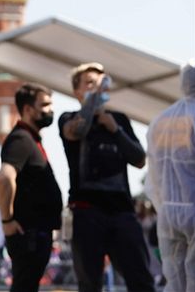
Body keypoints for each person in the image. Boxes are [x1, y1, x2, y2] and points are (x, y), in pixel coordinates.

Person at [59, 62, 155, 292]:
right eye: (90, 83)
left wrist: (115, 130)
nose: (97, 88)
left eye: (101, 82)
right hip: (86, 212)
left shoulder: (119, 120)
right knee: (90, 282)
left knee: (140, 278)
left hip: (122, 211)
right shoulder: (69, 118)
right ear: (77, 92)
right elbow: (75, 132)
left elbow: (139, 158)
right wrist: (93, 108)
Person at [0, 83, 62, 292]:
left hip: (35, 232)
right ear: (27, 109)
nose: (50, 110)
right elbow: (4, 178)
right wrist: (7, 220)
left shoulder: (30, 139)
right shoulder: (20, 139)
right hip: (28, 233)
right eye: (44, 105)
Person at [145, 60, 195, 292]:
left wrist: (162, 206)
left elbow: (153, 173)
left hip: (167, 212)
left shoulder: (161, 120)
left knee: (175, 280)